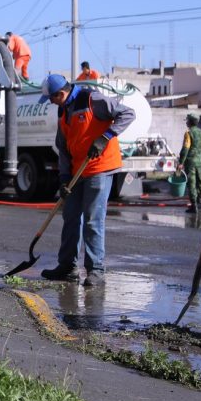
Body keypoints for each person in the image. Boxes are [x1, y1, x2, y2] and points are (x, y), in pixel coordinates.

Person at [38, 74, 136, 287]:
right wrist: (64, 178)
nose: (51, 103)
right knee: (71, 216)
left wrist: (106, 136)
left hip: (99, 168)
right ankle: (68, 266)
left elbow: (128, 114)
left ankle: (96, 270)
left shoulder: (93, 100)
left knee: (92, 220)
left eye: (52, 98)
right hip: (76, 172)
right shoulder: (62, 110)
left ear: (60, 94)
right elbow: (63, 148)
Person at [177, 113, 201, 213]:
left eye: (187, 120)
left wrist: (181, 162)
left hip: (191, 161)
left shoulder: (189, 133)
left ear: (190, 121)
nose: (186, 122)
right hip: (200, 161)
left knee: (192, 183)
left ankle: (194, 206)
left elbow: (186, 148)